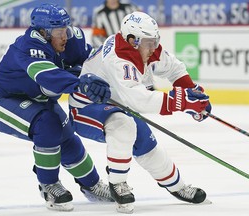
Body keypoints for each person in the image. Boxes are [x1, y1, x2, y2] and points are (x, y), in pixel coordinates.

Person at [68, 11, 212, 213]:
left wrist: (192, 92)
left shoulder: (145, 48)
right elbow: (139, 99)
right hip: (85, 109)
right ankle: (117, 183)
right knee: (123, 126)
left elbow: (174, 68)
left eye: (155, 41)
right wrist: (183, 103)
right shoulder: (118, 59)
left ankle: (178, 187)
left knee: (147, 143)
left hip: (117, 105)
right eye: (149, 42)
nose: (153, 47)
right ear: (131, 40)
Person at [0, 3, 113, 212]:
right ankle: (49, 184)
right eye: (58, 32)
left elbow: (94, 62)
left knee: (67, 135)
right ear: (43, 32)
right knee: (48, 125)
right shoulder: (28, 46)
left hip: (37, 98)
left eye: (66, 29)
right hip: (0, 98)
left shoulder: (72, 39)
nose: (65, 36)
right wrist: (81, 82)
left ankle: (92, 185)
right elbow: (48, 77)